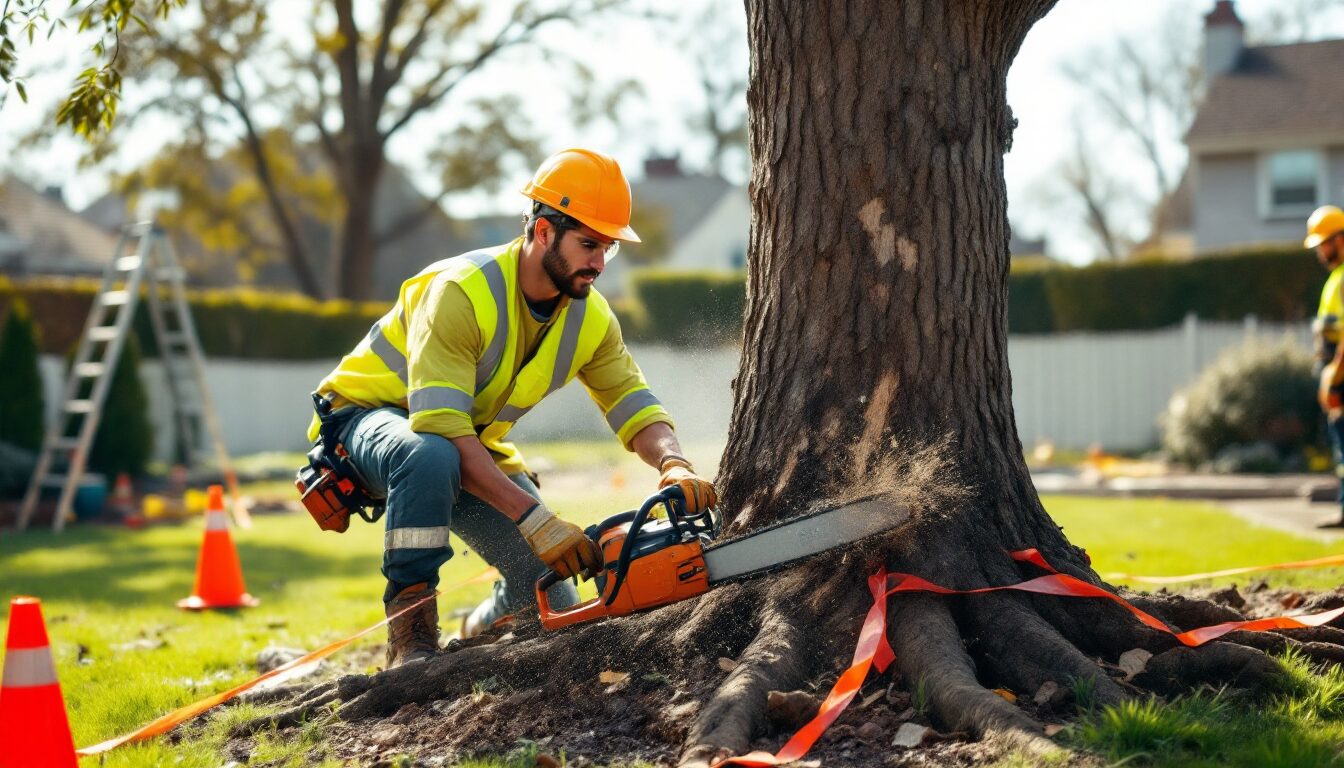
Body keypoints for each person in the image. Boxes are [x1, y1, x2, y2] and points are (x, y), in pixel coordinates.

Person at [305, 148, 718, 667]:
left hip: (458, 446)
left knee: (550, 603)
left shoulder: (591, 318)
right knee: (429, 455)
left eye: (608, 248)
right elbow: (442, 433)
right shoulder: (461, 292)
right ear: (543, 230)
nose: (599, 261)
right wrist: (536, 519)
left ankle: (485, 620)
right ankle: (410, 637)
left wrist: (672, 462)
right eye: (589, 244)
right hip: (365, 423)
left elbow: (632, 401)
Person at [1306, 204, 1344, 528]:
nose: (1320, 251)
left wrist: (1334, 376)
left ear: (1339, 240)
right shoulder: (1335, 279)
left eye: (1324, 243)